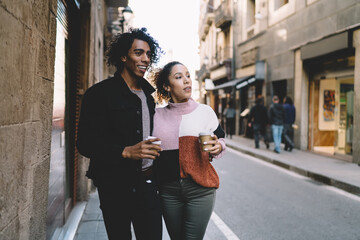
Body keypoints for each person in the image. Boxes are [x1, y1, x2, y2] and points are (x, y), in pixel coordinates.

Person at [76, 28, 164, 240]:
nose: (145, 59)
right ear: (123, 56)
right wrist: (125, 152)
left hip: (148, 185)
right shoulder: (99, 94)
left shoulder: (149, 97)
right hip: (114, 186)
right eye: (139, 53)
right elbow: (85, 143)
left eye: (149, 55)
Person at [151, 61, 226, 240]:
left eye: (187, 76)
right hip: (168, 191)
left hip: (200, 189)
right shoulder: (155, 115)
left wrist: (219, 146)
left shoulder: (205, 112)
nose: (186, 81)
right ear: (167, 86)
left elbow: (221, 139)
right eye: (179, 77)